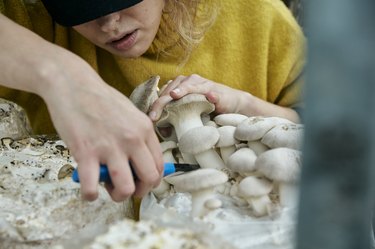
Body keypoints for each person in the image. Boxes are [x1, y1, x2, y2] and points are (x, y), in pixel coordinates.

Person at [0, 0, 305, 201]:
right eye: (77, 5)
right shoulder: (27, 18)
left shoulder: (255, 14)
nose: (108, 23)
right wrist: (61, 75)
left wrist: (246, 104)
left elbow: (331, 131)